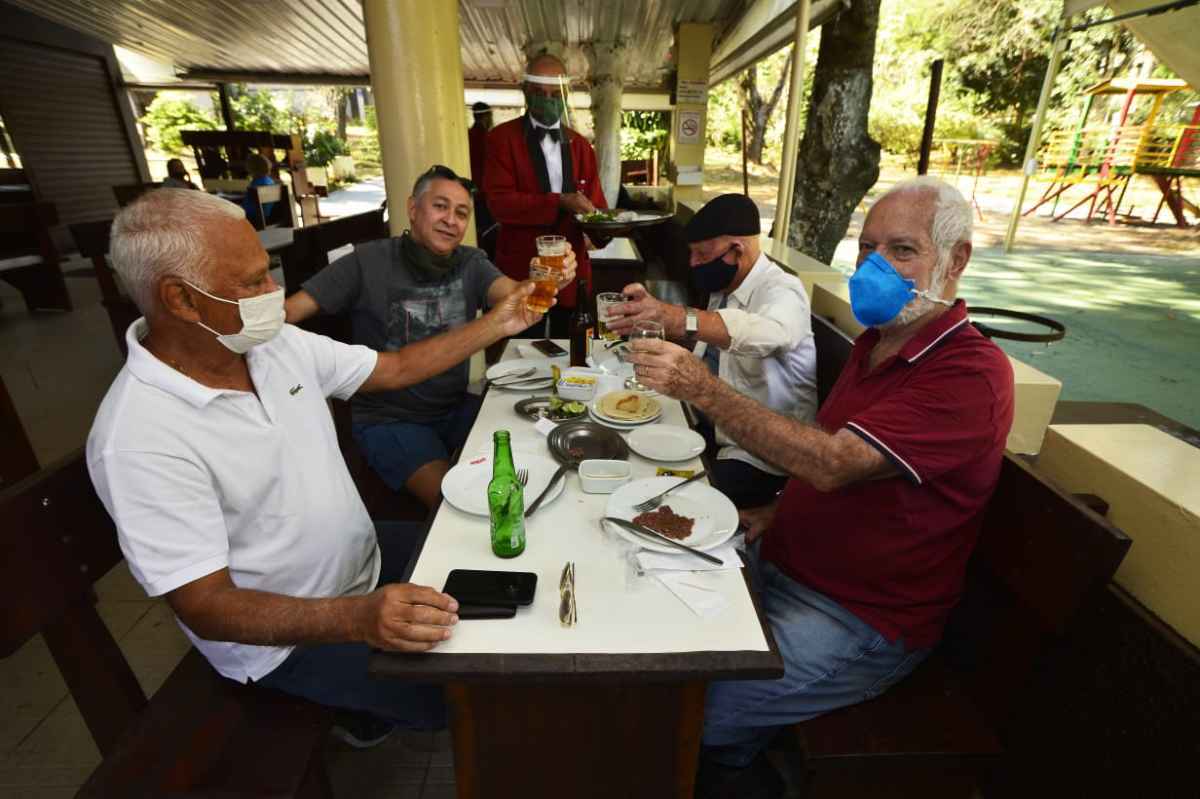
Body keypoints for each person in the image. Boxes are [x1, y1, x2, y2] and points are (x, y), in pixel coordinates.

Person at [87, 188, 547, 749]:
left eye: (269, 273)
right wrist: (357, 619)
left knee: (511, 571)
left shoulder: (269, 345)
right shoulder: (138, 437)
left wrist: (501, 322)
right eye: (252, 282)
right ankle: (348, 704)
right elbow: (206, 606)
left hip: (364, 556)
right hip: (289, 638)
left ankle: (369, 692)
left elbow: (396, 367)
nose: (273, 294)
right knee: (463, 692)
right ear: (181, 300)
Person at [626, 178, 1015, 797]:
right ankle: (730, 754)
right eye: (866, 250)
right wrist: (775, 516)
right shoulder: (874, 347)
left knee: (690, 712)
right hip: (782, 561)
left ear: (957, 259)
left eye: (902, 250)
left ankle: (733, 769)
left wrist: (702, 388)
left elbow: (835, 463)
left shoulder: (970, 374)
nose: (876, 267)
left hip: (861, 617)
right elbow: (837, 471)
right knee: (645, 614)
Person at [284, 164, 576, 509]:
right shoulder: (366, 261)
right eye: (440, 206)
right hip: (390, 419)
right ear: (412, 209)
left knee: (539, 448)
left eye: (461, 212)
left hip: (454, 407)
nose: (451, 220)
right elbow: (287, 314)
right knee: (457, 505)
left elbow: (511, 295)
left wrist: (541, 280)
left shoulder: (471, 262)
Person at [606, 193, 816, 509]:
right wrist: (656, 325)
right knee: (622, 450)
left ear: (737, 250)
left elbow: (770, 332)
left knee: (665, 503)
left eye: (702, 255)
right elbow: (713, 347)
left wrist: (675, 317)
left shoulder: (783, 290)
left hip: (758, 454)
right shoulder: (726, 286)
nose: (693, 265)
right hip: (707, 425)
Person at [484, 52, 608, 337]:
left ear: (566, 96)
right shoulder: (501, 139)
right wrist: (560, 201)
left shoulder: (581, 146)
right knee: (519, 355)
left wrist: (605, 226)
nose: (549, 100)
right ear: (526, 93)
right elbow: (499, 204)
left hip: (571, 271)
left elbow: (596, 207)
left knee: (574, 354)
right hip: (519, 272)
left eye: (556, 94)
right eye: (540, 93)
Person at [468, 101, 498, 261]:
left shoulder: (466, 136)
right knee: (488, 234)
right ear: (487, 117)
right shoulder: (489, 138)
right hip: (485, 195)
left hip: (471, 193)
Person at [240, 152, 276, 225]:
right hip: (267, 216)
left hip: (254, 219)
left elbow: (248, 207)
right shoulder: (270, 181)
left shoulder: (256, 184)